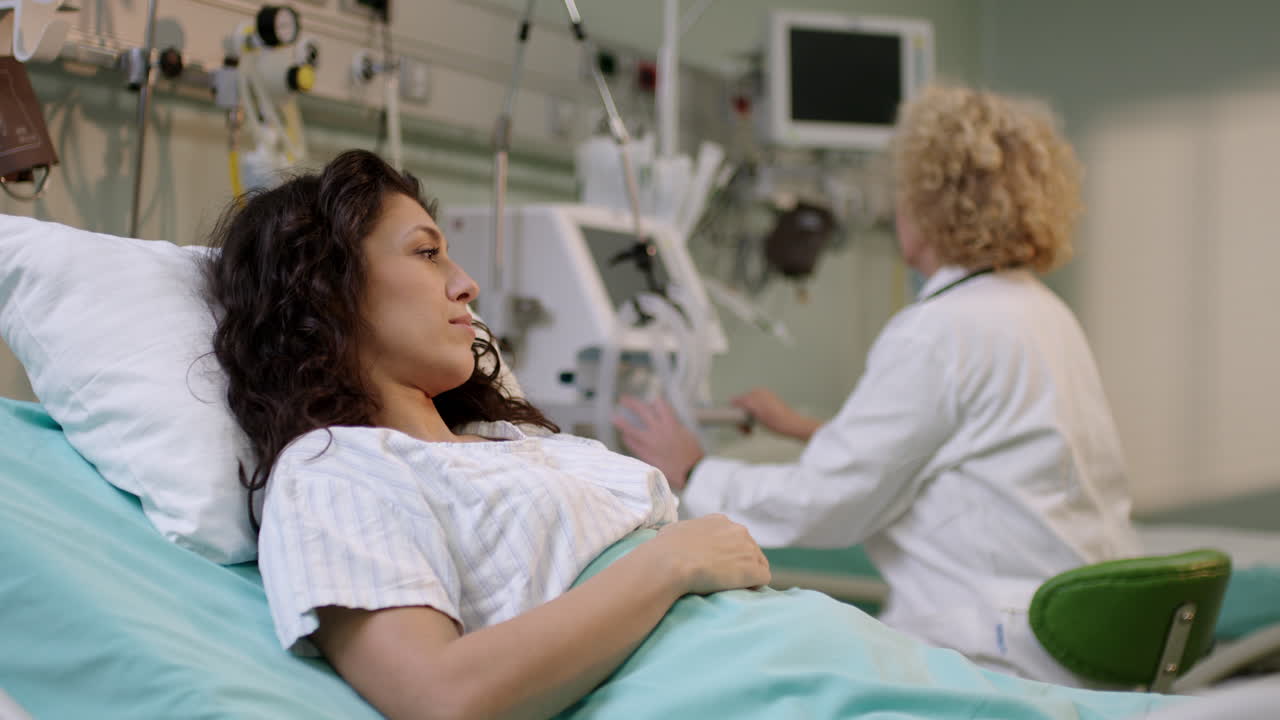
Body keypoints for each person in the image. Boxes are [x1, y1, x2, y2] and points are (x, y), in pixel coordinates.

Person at [202, 149, 1177, 719]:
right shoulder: (337, 470)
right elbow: (442, 699)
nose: (467, 285)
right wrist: (671, 562)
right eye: (427, 254)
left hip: (830, 667)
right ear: (326, 292)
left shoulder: (505, 447)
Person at [614, 86, 1142, 687]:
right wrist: (807, 429)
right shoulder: (1037, 311)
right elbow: (977, 443)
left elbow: (829, 503)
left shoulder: (938, 330)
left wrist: (696, 472)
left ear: (930, 203)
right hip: (1082, 629)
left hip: (1003, 650)